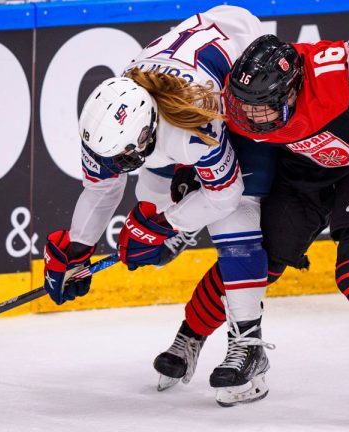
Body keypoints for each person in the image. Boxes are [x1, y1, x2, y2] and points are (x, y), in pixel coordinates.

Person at [165, 27, 349, 425]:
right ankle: (189, 339)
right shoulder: (237, 98)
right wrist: (187, 173)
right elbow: (210, 134)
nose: (251, 116)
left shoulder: (324, 71)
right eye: (244, 106)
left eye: (262, 108)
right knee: (257, 261)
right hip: (303, 177)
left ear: (292, 90)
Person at [42, 5, 276, 407]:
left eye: (125, 156)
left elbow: (226, 194)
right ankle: (178, 232)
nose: (115, 164)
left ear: (149, 131)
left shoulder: (193, 126)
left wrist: (167, 225)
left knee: (234, 222)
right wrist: (79, 248)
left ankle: (249, 347)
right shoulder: (109, 125)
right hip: (182, 83)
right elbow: (102, 188)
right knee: (149, 198)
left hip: (235, 84)